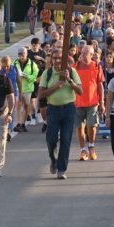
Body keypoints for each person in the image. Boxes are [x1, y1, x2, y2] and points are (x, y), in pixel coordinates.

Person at [39, 49, 83, 179]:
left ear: (65, 59)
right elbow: (40, 94)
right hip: (53, 109)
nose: (58, 61)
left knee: (66, 139)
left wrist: (69, 80)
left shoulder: (72, 71)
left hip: (69, 109)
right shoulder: (47, 73)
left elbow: (80, 91)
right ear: (51, 59)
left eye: (60, 58)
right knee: (51, 139)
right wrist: (55, 87)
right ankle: (53, 159)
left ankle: (62, 169)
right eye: (55, 58)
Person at [73, 45, 105, 161]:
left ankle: (91, 146)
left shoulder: (96, 66)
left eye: (85, 53)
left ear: (91, 55)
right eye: (81, 52)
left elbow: (100, 84)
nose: (82, 54)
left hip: (93, 102)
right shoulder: (75, 67)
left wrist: (102, 102)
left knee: (92, 125)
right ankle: (83, 150)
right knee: (79, 127)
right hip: (78, 102)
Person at [13, 47, 39, 131]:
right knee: (17, 106)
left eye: (23, 54)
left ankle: (22, 124)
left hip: (28, 89)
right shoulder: (15, 63)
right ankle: (17, 124)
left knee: (26, 106)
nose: (21, 56)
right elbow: (12, 74)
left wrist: (26, 76)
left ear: (26, 54)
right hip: (17, 89)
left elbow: (34, 77)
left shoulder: (32, 64)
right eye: (19, 54)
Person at [0, 56, 22, 142]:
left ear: (10, 64)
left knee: (10, 112)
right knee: (2, 112)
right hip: (2, 95)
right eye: (4, 66)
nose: (5, 68)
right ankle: (3, 129)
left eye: (7, 66)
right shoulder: (0, 70)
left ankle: (8, 131)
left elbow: (19, 81)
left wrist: (21, 93)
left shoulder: (14, 69)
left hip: (13, 94)